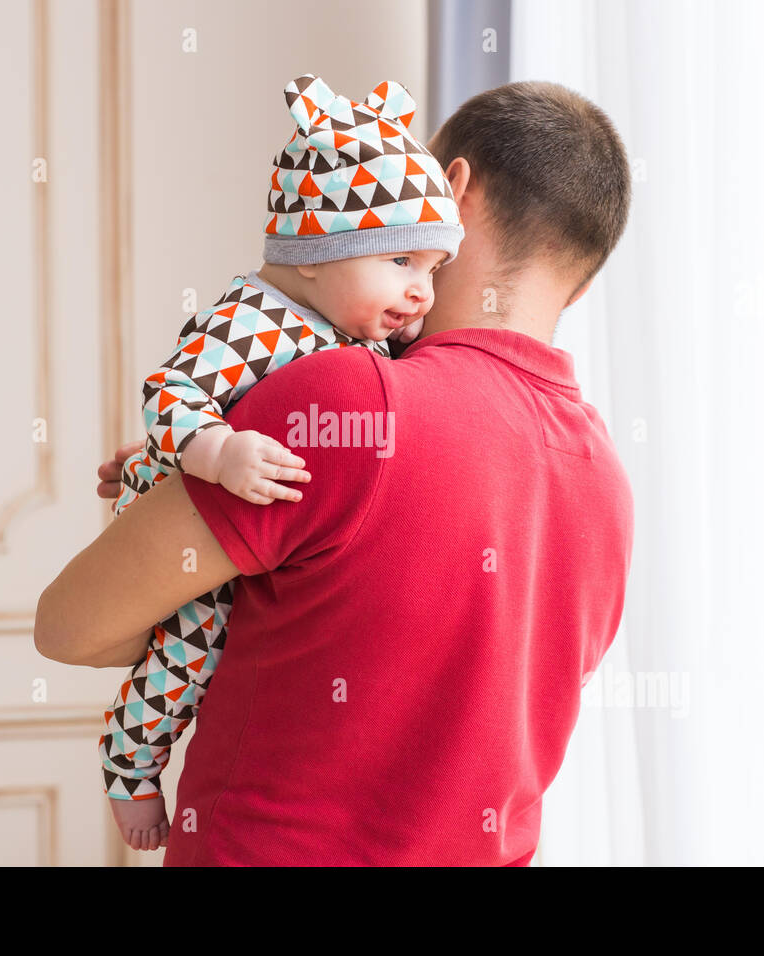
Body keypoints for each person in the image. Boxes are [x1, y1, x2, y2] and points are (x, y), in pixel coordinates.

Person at [36, 78, 635, 866]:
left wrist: (171, 525)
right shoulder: (608, 484)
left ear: (447, 187)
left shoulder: (349, 400)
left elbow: (70, 626)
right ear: (584, 281)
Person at [96, 73, 464, 851]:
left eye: (433, 271)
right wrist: (217, 451)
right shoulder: (254, 317)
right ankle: (129, 768)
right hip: (197, 519)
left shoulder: (354, 332)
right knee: (192, 650)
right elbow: (169, 394)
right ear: (312, 253)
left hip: (262, 532)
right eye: (401, 262)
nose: (421, 292)